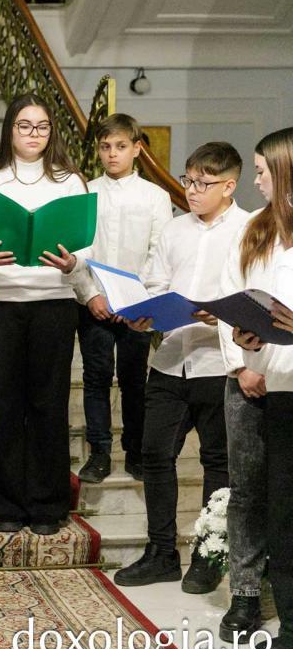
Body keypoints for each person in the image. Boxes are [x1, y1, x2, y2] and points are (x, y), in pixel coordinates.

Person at [113, 142, 249, 592]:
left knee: (217, 461)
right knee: (154, 454)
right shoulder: (174, 230)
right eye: (188, 180)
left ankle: (209, 555)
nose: (191, 190)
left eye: (203, 184)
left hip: (219, 363)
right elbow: (155, 281)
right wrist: (145, 311)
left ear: (229, 186)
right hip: (171, 359)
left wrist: (221, 313)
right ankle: (161, 553)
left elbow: (256, 296)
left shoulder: (249, 230)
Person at [0, 93, 89, 536]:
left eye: (41, 126)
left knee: (48, 404)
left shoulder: (70, 183)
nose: (33, 134)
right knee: (6, 403)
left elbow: (87, 245)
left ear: (51, 131)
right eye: (24, 125)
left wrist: (73, 263)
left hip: (53, 302)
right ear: (10, 130)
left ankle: (47, 505)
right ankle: (5, 504)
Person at [74, 114, 173, 483]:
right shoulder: (86, 193)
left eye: (120, 146)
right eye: (105, 147)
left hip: (136, 308)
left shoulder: (156, 196)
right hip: (95, 303)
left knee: (134, 379)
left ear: (137, 149)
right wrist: (91, 294)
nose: (112, 154)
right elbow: (78, 249)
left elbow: (157, 251)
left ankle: (135, 451)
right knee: (96, 378)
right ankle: (99, 453)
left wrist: (132, 299)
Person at [216, 133, 280, 641]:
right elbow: (229, 299)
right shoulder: (252, 229)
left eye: (261, 171)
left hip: (287, 376)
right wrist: (242, 366)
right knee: (247, 490)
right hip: (246, 379)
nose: (255, 181)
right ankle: (245, 594)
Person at [240, 127, 293, 649]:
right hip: (281, 389)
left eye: (262, 172)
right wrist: (251, 341)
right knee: (283, 516)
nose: (256, 182)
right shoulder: (273, 239)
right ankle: (292, 630)